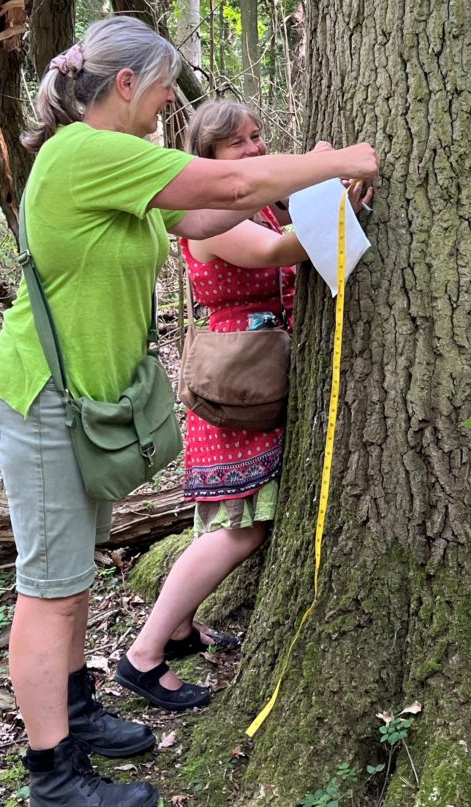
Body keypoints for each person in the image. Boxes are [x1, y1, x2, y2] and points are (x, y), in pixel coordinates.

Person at [0, 17, 377, 807]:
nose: (168, 103)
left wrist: (309, 191)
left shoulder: (114, 167)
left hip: (84, 401)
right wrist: (337, 160)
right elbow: (226, 188)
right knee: (49, 586)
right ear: (125, 86)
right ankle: (52, 773)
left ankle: (77, 711)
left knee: (72, 575)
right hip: (44, 398)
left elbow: (204, 217)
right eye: (163, 87)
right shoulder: (85, 152)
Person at [115, 101, 372, 711]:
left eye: (258, 137)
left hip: (256, 374)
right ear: (208, 162)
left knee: (238, 520)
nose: (255, 150)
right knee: (241, 528)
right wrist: (343, 208)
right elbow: (275, 252)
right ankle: (143, 655)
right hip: (236, 384)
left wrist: (316, 178)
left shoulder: (250, 202)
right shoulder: (211, 216)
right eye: (238, 145)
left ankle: (178, 631)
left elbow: (288, 210)